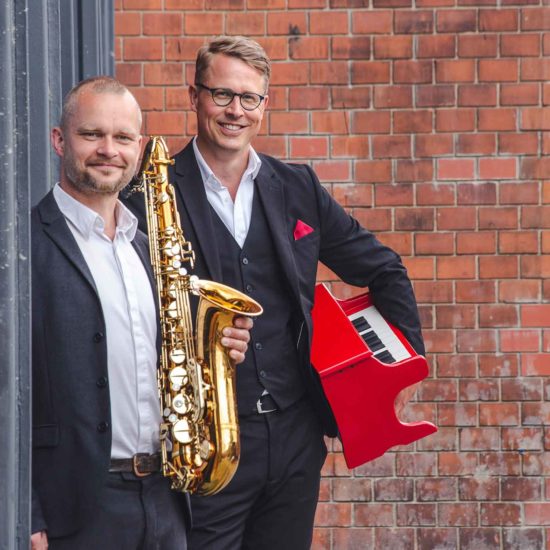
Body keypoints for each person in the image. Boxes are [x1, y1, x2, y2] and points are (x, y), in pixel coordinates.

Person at [123, 35, 425, 550]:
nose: (235, 111)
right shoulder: (150, 195)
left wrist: (399, 364)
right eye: (221, 95)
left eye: (249, 99)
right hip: (205, 443)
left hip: (294, 438)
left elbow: (385, 269)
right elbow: (128, 315)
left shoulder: (297, 187)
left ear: (265, 104)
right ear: (194, 96)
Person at [31, 76, 252, 550]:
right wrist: (27, 513)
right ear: (59, 140)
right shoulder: (26, 246)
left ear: (141, 147)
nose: (108, 150)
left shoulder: (144, 246)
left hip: (165, 498)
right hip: (74, 513)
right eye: (92, 134)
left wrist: (215, 351)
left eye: (123, 137)